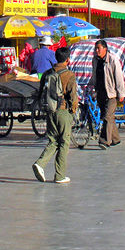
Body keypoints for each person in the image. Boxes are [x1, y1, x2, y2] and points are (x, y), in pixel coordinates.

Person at [32, 47, 78, 184]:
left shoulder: (47, 73)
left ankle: (40, 163)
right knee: (64, 142)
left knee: (53, 140)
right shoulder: (69, 75)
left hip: (49, 110)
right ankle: (60, 175)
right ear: (68, 60)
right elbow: (72, 96)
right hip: (63, 111)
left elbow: (40, 92)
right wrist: (73, 111)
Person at [91, 39, 125, 149]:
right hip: (100, 92)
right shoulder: (95, 60)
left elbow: (119, 77)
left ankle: (104, 141)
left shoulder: (113, 60)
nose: (97, 51)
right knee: (108, 117)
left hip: (112, 94)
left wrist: (121, 93)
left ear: (105, 49)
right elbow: (94, 75)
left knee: (107, 117)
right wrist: (91, 87)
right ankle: (115, 139)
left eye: (99, 48)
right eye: (96, 48)